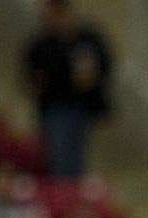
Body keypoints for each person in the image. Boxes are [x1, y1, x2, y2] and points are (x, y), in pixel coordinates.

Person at [23, 0, 112, 179]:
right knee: (59, 155)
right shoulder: (43, 45)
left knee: (76, 154)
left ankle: (72, 187)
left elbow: (104, 64)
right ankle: (63, 187)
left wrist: (92, 76)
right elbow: (34, 74)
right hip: (55, 107)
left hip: (82, 106)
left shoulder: (87, 39)